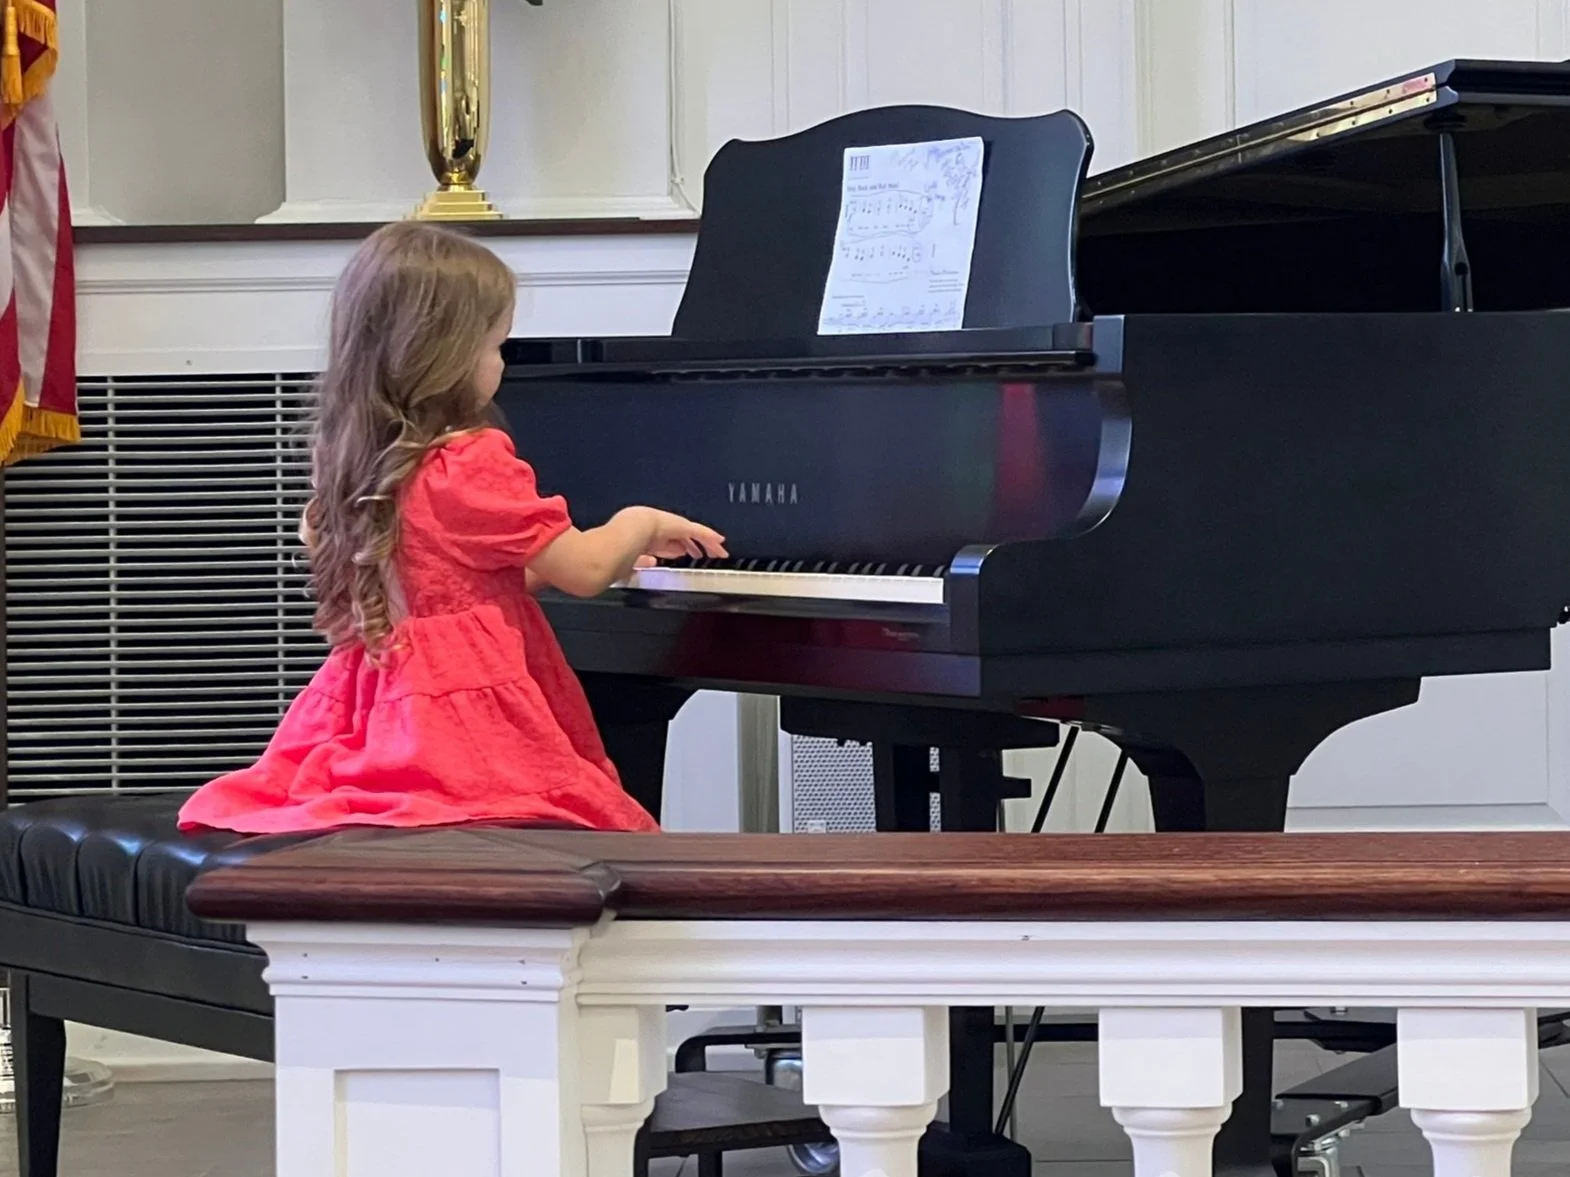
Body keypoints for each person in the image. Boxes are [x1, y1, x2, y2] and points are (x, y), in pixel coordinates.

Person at [177, 222, 725, 836]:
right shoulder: (470, 462)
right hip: (463, 729)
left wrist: (556, 568)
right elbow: (587, 571)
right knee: (596, 815)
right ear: (447, 356)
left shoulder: (365, 459)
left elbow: (456, 584)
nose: (501, 363)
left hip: (384, 714)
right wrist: (638, 522)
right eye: (497, 347)